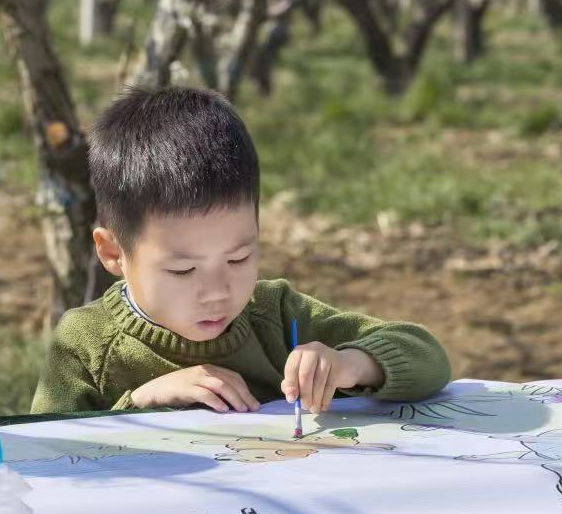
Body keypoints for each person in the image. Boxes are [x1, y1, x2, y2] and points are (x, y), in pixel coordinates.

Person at [32, 86, 449, 414]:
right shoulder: (86, 343)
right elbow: (48, 452)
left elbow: (428, 357)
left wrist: (350, 364)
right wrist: (141, 402)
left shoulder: (274, 315)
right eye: (182, 271)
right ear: (112, 253)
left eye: (238, 259)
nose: (217, 291)